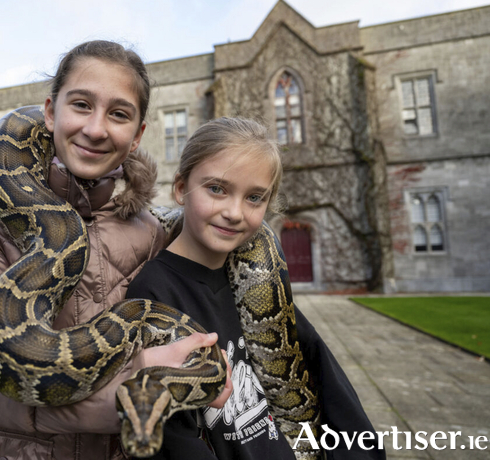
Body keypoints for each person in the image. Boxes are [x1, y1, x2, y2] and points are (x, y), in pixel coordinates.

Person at [0, 40, 227, 460]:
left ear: (138, 134)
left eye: (118, 114)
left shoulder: (151, 231)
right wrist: (138, 381)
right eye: (81, 105)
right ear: (50, 112)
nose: (97, 128)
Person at [126, 117, 384, 459]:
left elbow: (323, 372)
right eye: (217, 188)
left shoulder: (257, 279)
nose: (234, 212)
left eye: (254, 198)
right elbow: (173, 438)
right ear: (180, 189)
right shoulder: (154, 292)